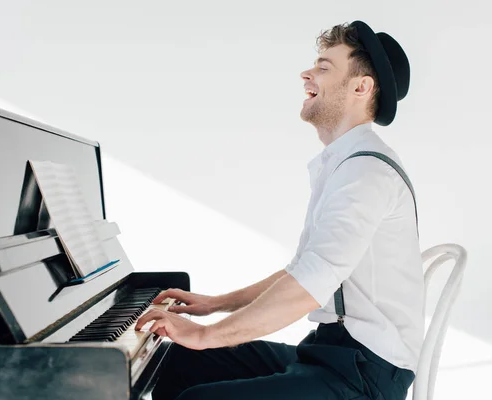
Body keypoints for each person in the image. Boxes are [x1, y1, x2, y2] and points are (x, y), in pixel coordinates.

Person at [135, 20, 424, 400]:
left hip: (365, 375)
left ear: (360, 87)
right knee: (177, 360)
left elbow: (310, 286)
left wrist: (207, 335)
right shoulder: (344, 164)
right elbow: (302, 270)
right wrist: (214, 305)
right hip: (330, 354)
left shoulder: (365, 172)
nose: (307, 73)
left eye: (324, 67)